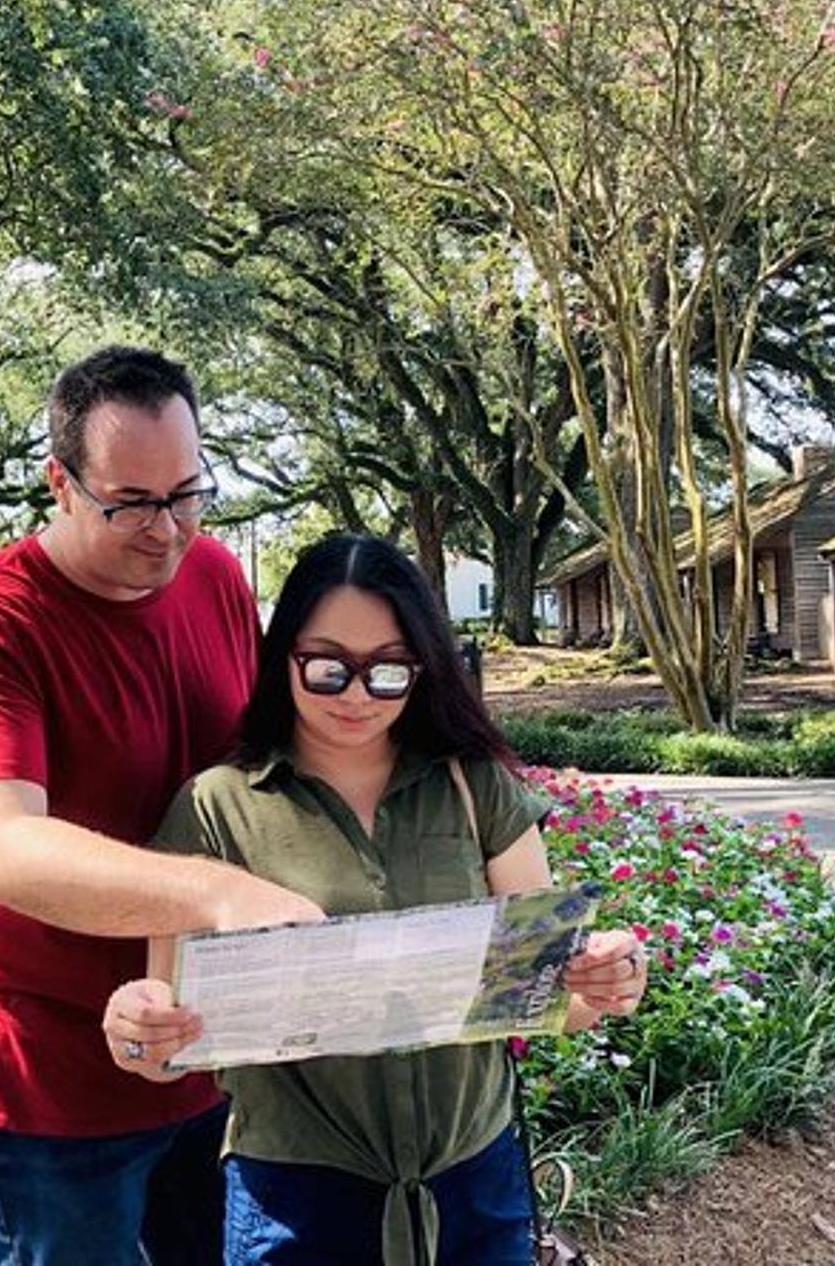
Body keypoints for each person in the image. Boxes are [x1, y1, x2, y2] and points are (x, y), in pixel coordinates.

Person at [102, 535, 648, 1265]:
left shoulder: (472, 784)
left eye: (388, 671)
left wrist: (606, 982)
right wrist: (138, 1029)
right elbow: (165, 1045)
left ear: (422, 667)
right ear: (283, 655)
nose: (357, 695)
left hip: (475, 1187)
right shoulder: (216, 807)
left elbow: (547, 995)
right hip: (295, 1201)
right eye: (328, 667)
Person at [0, 345, 323, 1266]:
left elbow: (264, 767)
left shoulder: (215, 575)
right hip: (51, 1086)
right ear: (60, 483)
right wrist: (220, 896)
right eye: (131, 502)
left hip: (206, 1050)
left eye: (187, 493)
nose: (167, 529)